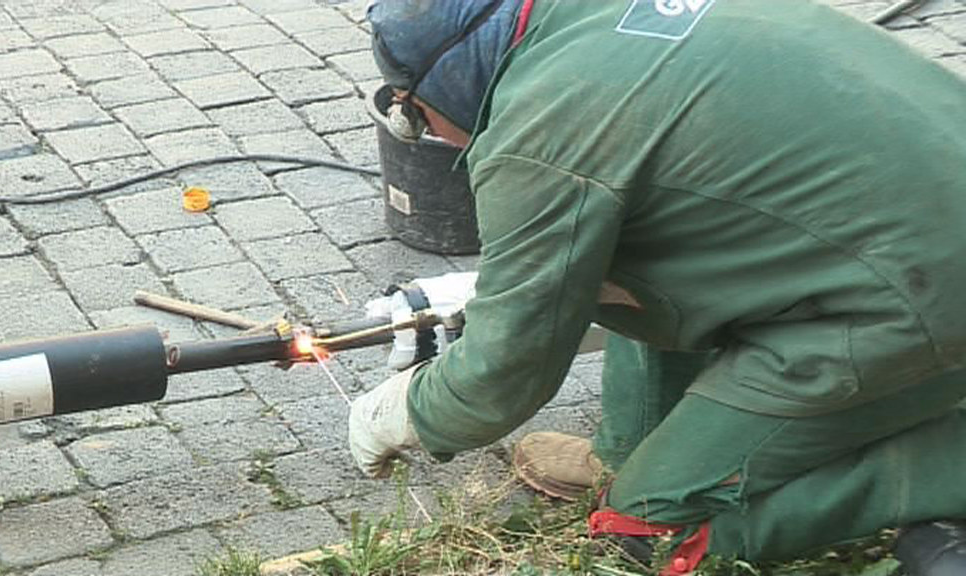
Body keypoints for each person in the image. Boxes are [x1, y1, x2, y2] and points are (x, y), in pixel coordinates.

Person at [346, 1, 966, 574]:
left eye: (410, 114)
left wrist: (403, 412)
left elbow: (503, 376)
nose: (420, 130)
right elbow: (654, 248)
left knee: (648, 532)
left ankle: (936, 466)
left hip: (918, 292)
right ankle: (630, 454)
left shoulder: (541, 135)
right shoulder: (593, 18)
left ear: (446, 83)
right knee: (633, 250)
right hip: (911, 231)